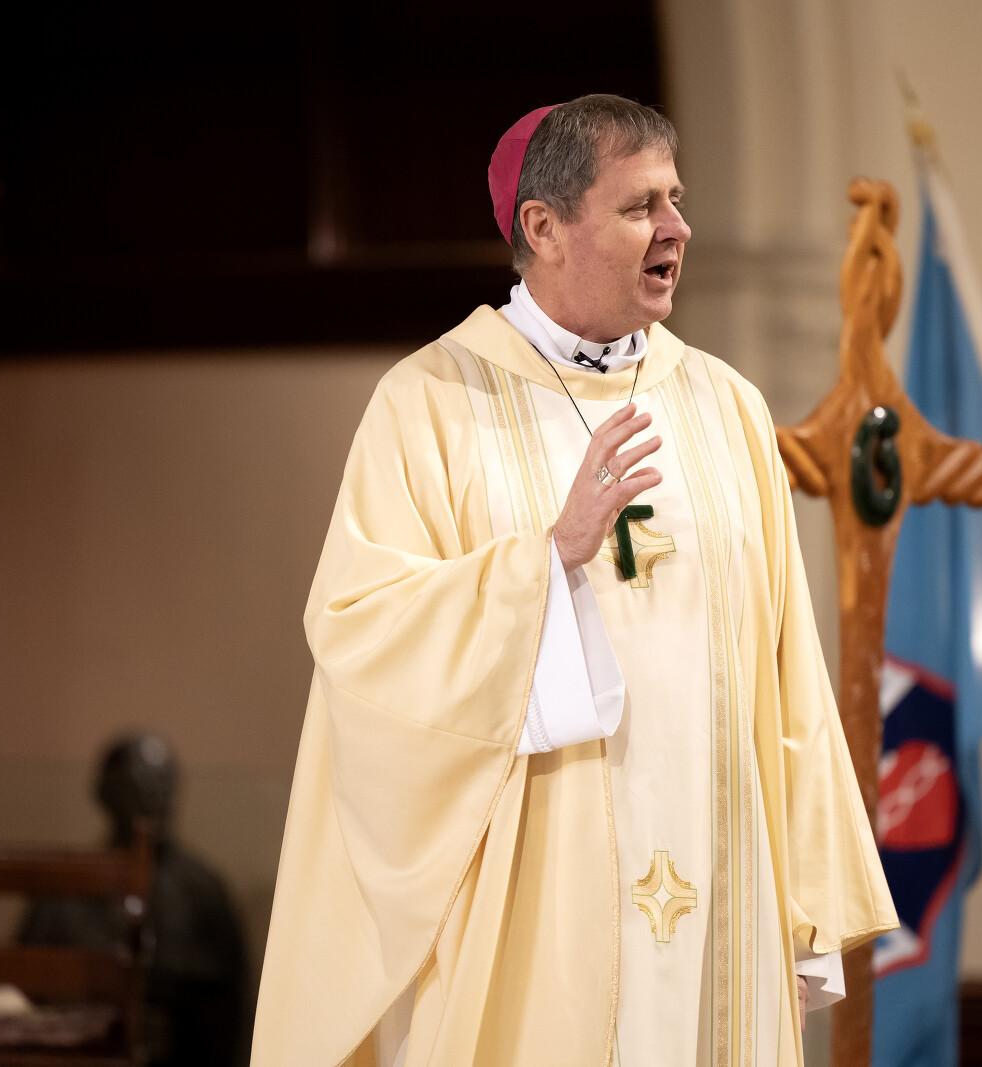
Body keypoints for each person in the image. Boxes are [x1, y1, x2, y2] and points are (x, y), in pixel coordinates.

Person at [252, 94, 895, 1067]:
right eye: (641, 206)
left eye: (676, 200)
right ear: (544, 228)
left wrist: (808, 895)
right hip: (535, 912)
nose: (677, 228)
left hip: (723, 898)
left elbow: (786, 668)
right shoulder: (430, 405)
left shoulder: (726, 407)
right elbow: (363, 638)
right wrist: (544, 563)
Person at [21, 733, 249, 1067]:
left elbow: (230, 1008)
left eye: (164, 784)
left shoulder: (203, 892)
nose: (155, 795)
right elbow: (28, 995)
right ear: (106, 792)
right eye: (139, 784)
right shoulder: (66, 892)